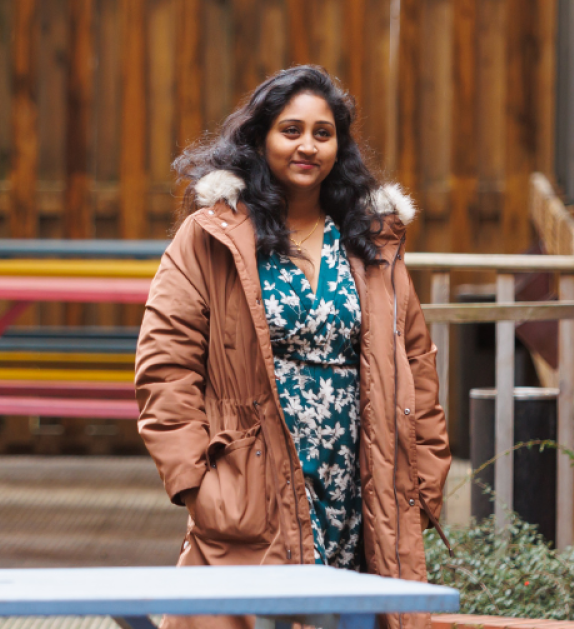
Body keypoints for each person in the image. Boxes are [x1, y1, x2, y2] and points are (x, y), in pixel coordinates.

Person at [133, 65, 451, 629]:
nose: (307, 146)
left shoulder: (369, 242)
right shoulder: (213, 237)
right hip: (253, 489)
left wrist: (423, 479)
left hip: (360, 486)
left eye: (323, 133)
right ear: (261, 138)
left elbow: (417, 366)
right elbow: (165, 370)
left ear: (339, 147)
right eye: (291, 130)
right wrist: (197, 486)